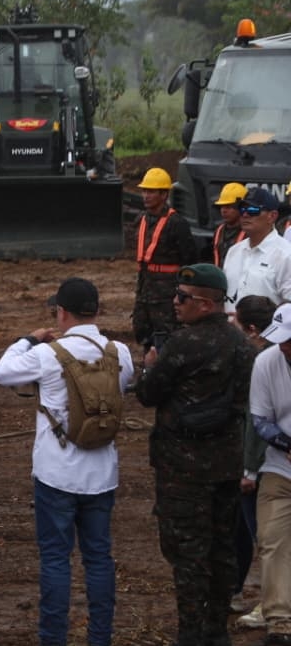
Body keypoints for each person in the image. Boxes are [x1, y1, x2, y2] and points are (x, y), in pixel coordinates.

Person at [0, 278, 134, 646]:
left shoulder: (47, 354)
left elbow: (2, 372)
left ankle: (53, 639)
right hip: (102, 473)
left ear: (61, 312)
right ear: (97, 311)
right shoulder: (119, 352)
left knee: (56, 560)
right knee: (99, 558)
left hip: (56, 473)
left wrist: (28, 339)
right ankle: (99, 638)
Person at [137, 263, 257, 646]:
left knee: (187, 553)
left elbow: (147, 394)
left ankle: (190, 632)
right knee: (222, 548)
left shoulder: (183, 344)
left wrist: (150, 367)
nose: (175, 303)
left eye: (183, 298)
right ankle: (216, 629)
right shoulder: (242, 345)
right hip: (226, 463)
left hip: (182, 468)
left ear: (206, 304)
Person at [249, 301, 291, 645]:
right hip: (280, 465)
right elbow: (260, 420)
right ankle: (279, 621)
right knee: (271, 541)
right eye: (282, 339)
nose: (285, 345)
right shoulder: (266, 361)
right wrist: (287, 445)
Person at [233, 295, 275, 627]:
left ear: (251, 329)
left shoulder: (261, 363)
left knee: (266, 538)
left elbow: (255, 421)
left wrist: (248, 469)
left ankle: (271, 605)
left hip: (264, 467)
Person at [132, 167, 198, 349]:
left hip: (167, 295)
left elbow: (190, 260)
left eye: (151, 192)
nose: (146, 196)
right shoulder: (142, 219)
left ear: (164, 194)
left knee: (168, 337)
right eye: (145, 191)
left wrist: (183, 292)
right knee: (143, 333)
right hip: (145, 290)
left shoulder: (177, 224)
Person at [223, 188, 291, 315]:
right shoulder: (234, 252)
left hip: (266, 333)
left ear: (272, 216)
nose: (245, 215)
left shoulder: (286, 255)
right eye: (242, 209)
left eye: (253, 210)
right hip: (231, 332)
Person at [212, 183, 248, 266]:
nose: (224, 210)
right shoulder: (219, 231)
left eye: (228, 206)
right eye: (222, 206)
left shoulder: (250, 233)